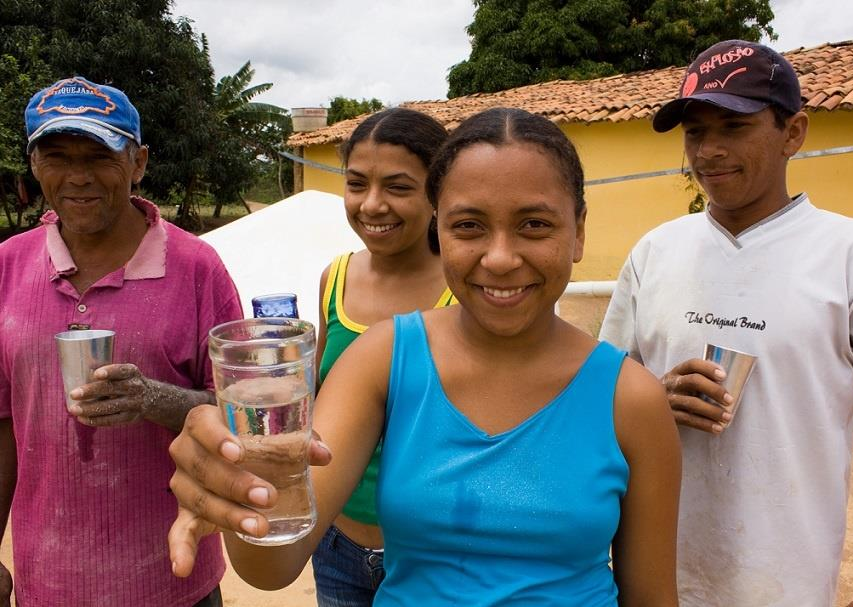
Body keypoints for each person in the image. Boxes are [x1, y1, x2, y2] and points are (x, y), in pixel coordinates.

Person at [167, 107, 682, 606]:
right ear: (440, 228)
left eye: (534, 225)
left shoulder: (631, 399)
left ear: (579, 231)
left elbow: (652, 597)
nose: (500, 258)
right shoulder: (384, 358)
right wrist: (249, 478)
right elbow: (273, 568)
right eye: (469, 226)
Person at [599, 40, 853, 607]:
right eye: (695, 132)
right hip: (653, 581)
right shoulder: (654, 253)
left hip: (787, 585)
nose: (709, 151)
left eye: (734, 127)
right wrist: (648, 400)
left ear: (794, 132)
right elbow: (600, 394)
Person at [0, 77, 243, 607]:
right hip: (48, 585)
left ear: (139, 163)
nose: (78, 176)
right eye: (57, 156)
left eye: (100, 155)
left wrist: (154, 399)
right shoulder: (6, 267)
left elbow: (242, 412)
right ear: (34, 165)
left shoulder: (197, 268)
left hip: (175, 582)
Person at [312, 108, 453, 605]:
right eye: (356, 184)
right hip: (334, 545)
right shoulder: (336, 278)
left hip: (434, 555)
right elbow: (317, 405)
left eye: (397, 187)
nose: (372, 205)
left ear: (438, 193)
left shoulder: (464, 291)